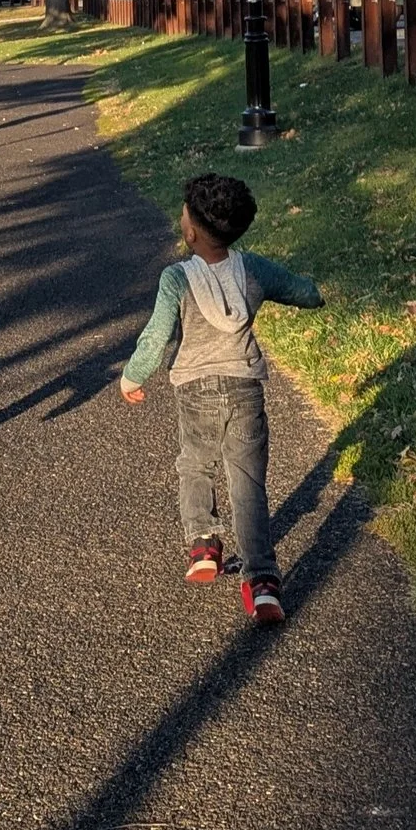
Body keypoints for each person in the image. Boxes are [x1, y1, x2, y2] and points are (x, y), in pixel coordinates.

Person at [120, 173, 322, 623]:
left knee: (195, 463)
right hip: (244, 387)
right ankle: (264, 582)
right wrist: (314, 293)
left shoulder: (176, 278)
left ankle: (205, 546)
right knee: (247, 482)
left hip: (195, 389)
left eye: (184, 212)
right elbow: (305, 293)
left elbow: (156, 337)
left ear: (190, 230)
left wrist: (132, 376)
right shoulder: (254, 270)